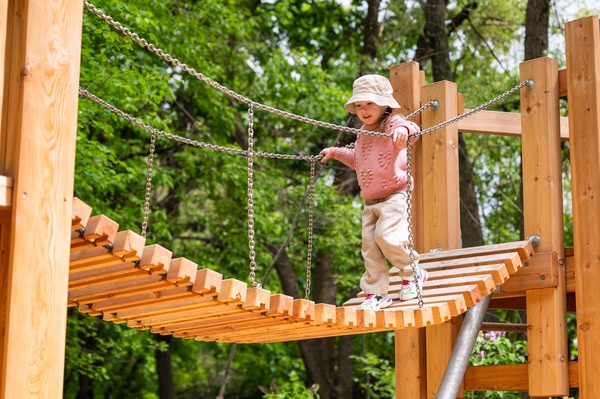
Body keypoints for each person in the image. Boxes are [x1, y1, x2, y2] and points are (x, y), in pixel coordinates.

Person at [320, 74, 427, 311]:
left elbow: (412, 128)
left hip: (394, 195)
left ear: (384, 103)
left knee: (386, 237)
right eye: (359, 105)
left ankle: (413, 272)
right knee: (370, 247)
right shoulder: (363, 132)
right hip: (370, 200)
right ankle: (377, 293)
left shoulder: (392, 124)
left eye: (369, 103)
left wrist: (403, 131)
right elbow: (357, 160)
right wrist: (335, 152)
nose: (364, 110)